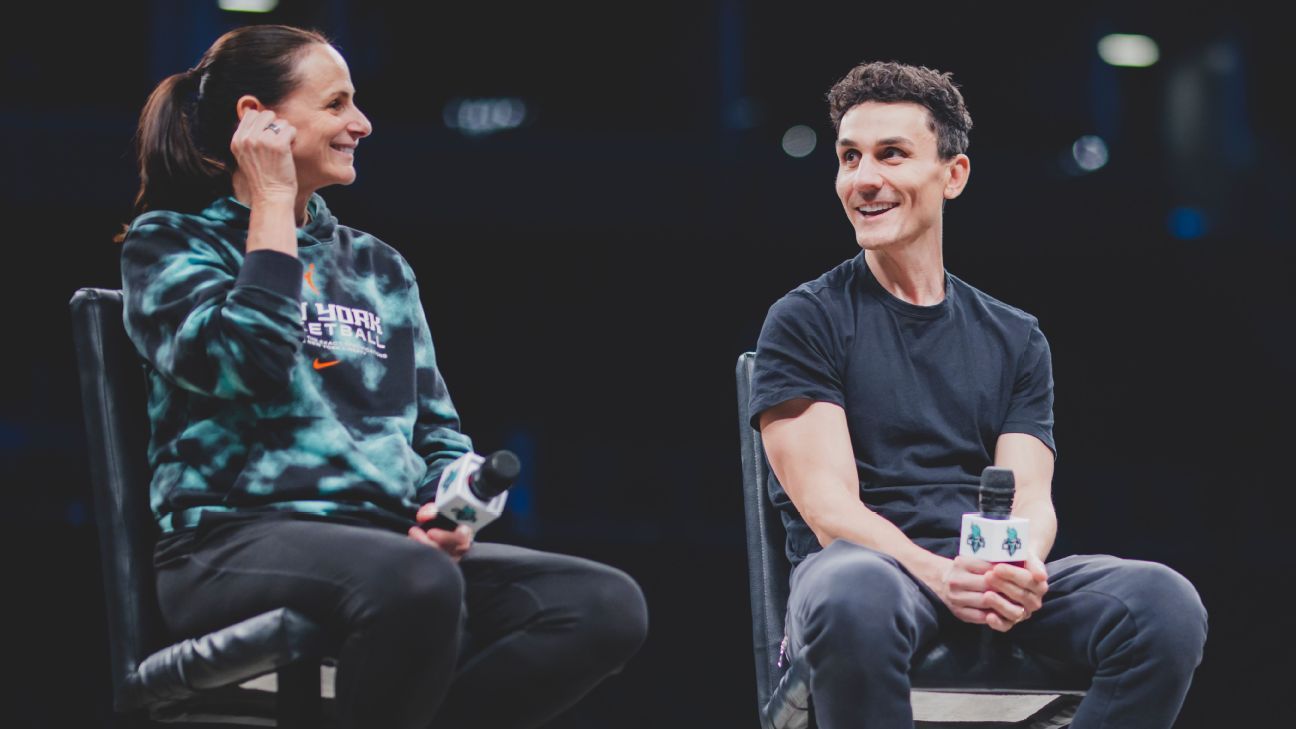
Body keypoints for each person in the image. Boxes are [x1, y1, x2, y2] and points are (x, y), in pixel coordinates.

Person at [119, 25, 647, 729]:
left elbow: (434, 430)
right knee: (416, 582)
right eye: (336, 104)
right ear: (258, 119)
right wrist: (272, 204)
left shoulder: (378, 266)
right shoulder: (172, 242)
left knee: (603, 606)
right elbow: (248, 362)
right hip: (229, 545)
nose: (360, 124)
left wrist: (448, 504)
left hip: (389, 549)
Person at [749, 61, 1206, 728]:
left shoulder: (1015, 336)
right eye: (850, 157)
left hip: (978, 573)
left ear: (952, 175)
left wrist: (1017, 569)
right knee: (854, 585)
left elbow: (1031, 497)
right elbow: (829, 510)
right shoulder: (805, 318)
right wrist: (940, 574)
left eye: (891, 154)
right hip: (878, 575)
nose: (863, 178)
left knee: (1163, 603)